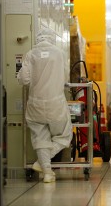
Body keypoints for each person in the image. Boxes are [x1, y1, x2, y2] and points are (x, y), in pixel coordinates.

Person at [17, 28, 73, 183]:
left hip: (35, 104)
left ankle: (47, 172)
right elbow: (65, 78)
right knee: (65, 134)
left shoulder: (30, 54)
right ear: (51, 38)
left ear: (38, 39)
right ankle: (43, 164)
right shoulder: (59, 53)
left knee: (40, 138)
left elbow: (24, 80)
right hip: (56, 103)